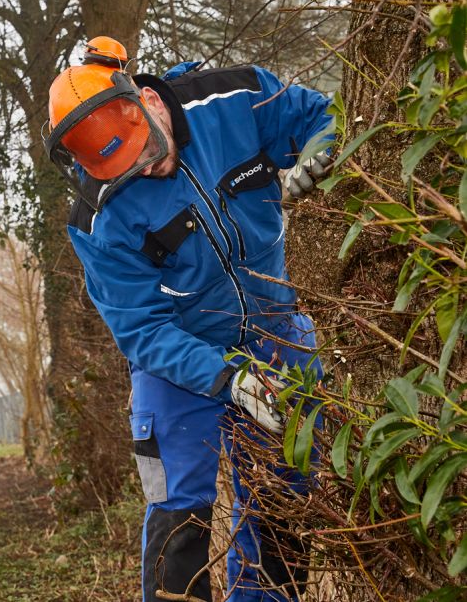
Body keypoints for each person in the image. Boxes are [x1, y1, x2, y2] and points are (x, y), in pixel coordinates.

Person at [44, 36, 334, 602]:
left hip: (275, 332)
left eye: (151, 155)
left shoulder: (234, 98)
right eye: (133, 172)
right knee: (181, 520)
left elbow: (324, 115)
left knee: (282, 500)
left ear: (148, 102)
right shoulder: (97, 218)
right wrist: (227, 376)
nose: (151, 171)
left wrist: (320, 152)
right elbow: (140, 329)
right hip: (177, 359)